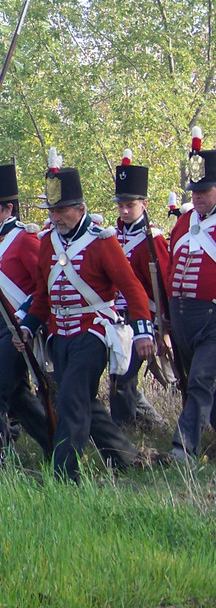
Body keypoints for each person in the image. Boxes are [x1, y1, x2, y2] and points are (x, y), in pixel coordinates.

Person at [16, 157, 155, 481]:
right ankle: (127, 457)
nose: (56, 217)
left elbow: (132, 288)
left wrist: (143, 331)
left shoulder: (101, 241)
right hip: (59, 337)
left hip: (93, 333)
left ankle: (64, 475)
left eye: (62, 210)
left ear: (80, 208)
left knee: (71, 401)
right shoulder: (48, 243)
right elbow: (42, 295)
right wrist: (28, 327)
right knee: (83, 401)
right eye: (52, 211)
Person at [0, 154, 54, 461]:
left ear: (8, 208)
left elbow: (43, 286)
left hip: (15, 327)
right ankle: (57, 447)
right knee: (18, 396)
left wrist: (25, 321)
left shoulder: (26, 238)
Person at [109, 150, 169, 426]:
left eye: (130, 205)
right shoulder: (113, 236)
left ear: (143, 204)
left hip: (144, 317)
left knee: (123, 377)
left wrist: (162, 327)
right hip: (116, 318)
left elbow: (163, 286)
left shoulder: (152, 240)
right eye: (121, 205)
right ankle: (151, 423)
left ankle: (124, 430)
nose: (124, 211)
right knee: (120, 377)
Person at [168, 130, 216, 462]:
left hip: (212, 317)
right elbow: (170, 265)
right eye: (194, 191)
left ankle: (183, 448)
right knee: (203, 385)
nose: (196, 197)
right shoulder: (184, 222)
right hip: (182, 316)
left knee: (200, 381)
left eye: (204, 191)